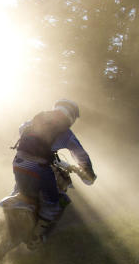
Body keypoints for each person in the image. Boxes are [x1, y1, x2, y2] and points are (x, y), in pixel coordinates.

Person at [6, 98, 96, 242]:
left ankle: (10, 216)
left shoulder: (37, 119)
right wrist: (88, 175)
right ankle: (36, 237)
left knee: (20, 189)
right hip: (39, 168)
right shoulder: (66, 133)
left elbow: (21, 129)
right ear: (72, 116)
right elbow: (81, 155)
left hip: (19, 162)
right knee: (55, 203)